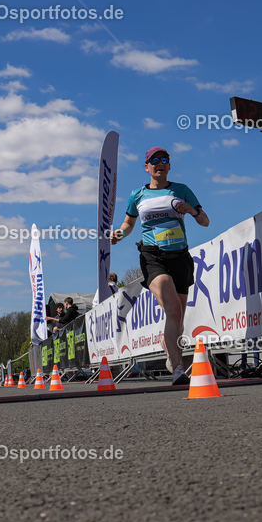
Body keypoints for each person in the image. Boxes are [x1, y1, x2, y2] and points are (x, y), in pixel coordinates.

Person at [111, 146, 209, 385]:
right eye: (154, 161)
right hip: (152, 257)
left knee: (178, 318)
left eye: (164, 160)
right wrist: (119, 235)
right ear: (147, 167)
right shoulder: (138, 195)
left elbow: (205, 221)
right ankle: (178, 370)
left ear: (169, 166)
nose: (159, 164)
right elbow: (127, 224)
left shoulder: (182, 190)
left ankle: (170, 349)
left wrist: (192, 210)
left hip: (180, 257)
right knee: (173, 309)